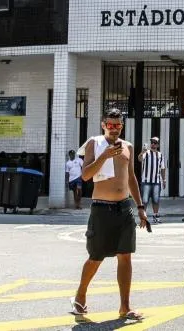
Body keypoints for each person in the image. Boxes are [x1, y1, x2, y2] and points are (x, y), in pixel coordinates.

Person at [72, 108, 149, 321]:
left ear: (122, 126)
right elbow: (86, 175)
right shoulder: (94, 144)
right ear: (103, 125)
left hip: (124, 208)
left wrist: (140, 207)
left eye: (118, 125)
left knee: (125, 256)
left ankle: (125, 307)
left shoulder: (128, 147)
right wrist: (104, 155)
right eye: (110, 125)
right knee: (96, 256)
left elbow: (131, 177)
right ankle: (80, 295)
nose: (114, 129)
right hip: (101, 208)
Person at [138, 136, 167, 223]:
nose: (153, 144)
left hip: (156, 181)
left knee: (156, 199)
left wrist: (164, 180)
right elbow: (139, 159)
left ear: (158, 145)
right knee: (145, 200)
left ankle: (155, 216)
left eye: (155, 143)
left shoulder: (160, 155)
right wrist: (142, 152)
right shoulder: (146, 153)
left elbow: (162, 168)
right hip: (146, 181)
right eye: (152, 142)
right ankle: (143, 217)